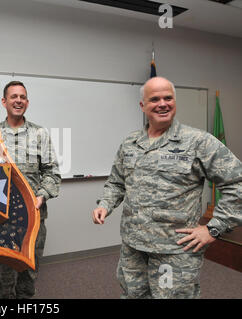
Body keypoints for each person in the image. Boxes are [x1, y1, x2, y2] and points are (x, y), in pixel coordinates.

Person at [92, 76, 241, 298]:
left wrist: (213, 228)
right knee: (133, 294)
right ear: (143, 106)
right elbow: (116, 181)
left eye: (168, 98)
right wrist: (105, 204)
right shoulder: (130, 143)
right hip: (133, 246)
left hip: (174, 250)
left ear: (174, 102)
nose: (162, 103)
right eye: (155, 99)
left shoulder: (198, 141)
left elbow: (236, 183)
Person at [0, 81, 61, 299]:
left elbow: (52, 172)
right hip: (2, 217)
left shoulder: (40, 134)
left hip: (34, 216)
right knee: (4, 272)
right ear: (4, 102)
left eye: (22, 97)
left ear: (27, 102)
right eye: (13, 96)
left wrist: (41, 196)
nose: (18, 100)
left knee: (29, 270)